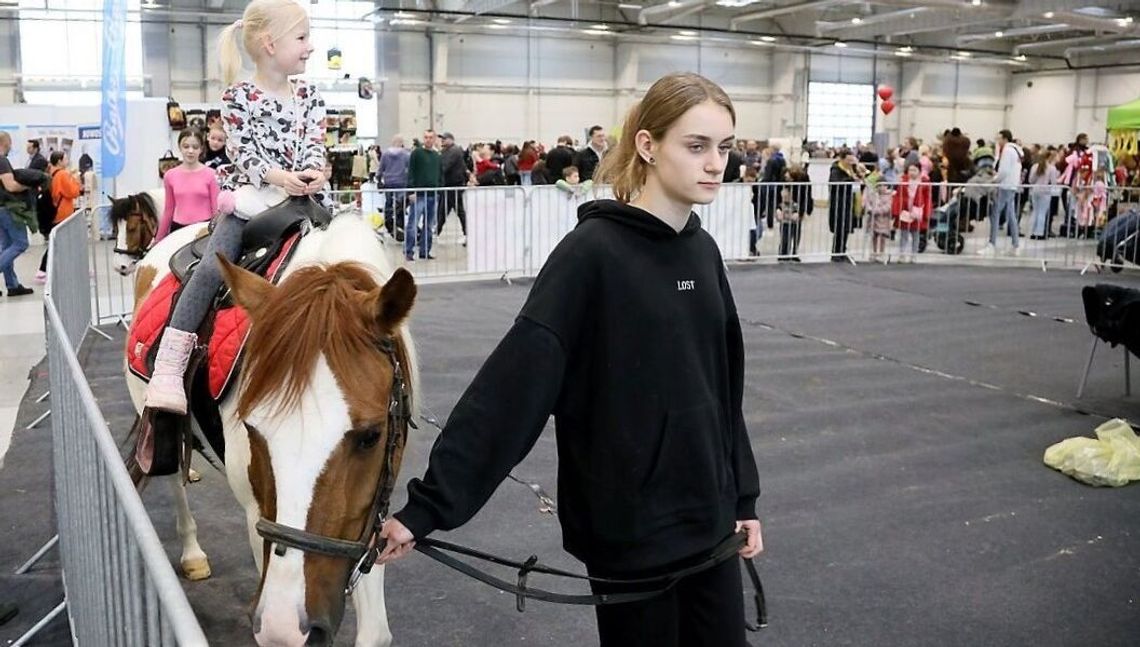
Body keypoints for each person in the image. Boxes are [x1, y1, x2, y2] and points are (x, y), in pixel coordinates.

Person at [379, 72, 763, 647]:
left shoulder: (703, 252)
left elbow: (722, 389)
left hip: (711, 526)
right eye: (697, 145)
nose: (715, 164)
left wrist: (743, 497)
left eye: (724, 148)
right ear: (648, 145)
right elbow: (512, 391)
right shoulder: (590, 256)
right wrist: (428, 509)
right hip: (631, 535)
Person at [144, 0, 329, 414]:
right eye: (301, 38)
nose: (310, 47)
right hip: (253, 200)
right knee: (214, 266)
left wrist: (317, 171)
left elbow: (317, 146)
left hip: (305, 201)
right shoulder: (238, 96)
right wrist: (280, 176)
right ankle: (169, 368)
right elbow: (242, 151)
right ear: (269, 44)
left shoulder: (312, 96)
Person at [156, 129, 220, 243]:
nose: (190, 151)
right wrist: (158, 240)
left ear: (201, 149)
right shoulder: (170, 175)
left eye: (195, 147)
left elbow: (216, 210)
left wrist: (216, 236)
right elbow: (168, 209)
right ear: (179, 147)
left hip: (203, 231)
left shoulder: (212, 174)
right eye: (186, 146)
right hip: (178, 230)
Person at [35, 151, 82, 282]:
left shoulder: (52, 174)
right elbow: (74, 192)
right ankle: (43, 269)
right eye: (65, 158)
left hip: (56, 214)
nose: (67, 161)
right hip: (63, 214)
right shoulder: (62, 174)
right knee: (58, 244)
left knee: (60, 243)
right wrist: (77, 180)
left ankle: (47, 269)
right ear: (60, 161)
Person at [979, 129, 1022, 256]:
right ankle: (1016, 245)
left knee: (995, 213)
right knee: (1011, 215)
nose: (998, 141)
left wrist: (995, 180)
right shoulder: (1016, 151)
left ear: (1004, 139)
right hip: (1012, 185)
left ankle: (992, 244)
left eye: (999, 138)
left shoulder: (1008, 151)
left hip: (1005, 186)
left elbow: (1003, 171)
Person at [0, 133, 33, 297]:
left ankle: (12, 285)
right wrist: (28, 185)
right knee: (20, 243)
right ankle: (12, 284)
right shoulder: (2, 160)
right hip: (8, 208)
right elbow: (10, 186)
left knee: (6, 246)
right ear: (6, 142)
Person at [405, 129, 442, 261]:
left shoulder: (437, 156)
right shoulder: (416, 153)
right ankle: (408, 251)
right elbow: (411, 172)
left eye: (431, 137)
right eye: (426, 137)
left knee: (429, 225)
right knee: (413, 224)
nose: (428, 140)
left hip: (433, 195)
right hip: (419, 195)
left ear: (435, 139)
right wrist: (411, 191)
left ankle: (425, 251)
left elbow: (439, 174)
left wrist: (440, 190)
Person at [892, 163, 931, 264]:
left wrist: (927, 212)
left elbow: (927, 198)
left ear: (919, 171)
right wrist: (896, 210)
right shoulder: (903, 181)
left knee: (916, 235)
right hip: (905, 211)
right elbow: (898, 196)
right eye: (910, 170)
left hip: (917, 211)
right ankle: (902, 255)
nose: (912, 172)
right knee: (903, 234)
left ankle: (914, 255)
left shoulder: (924, 183)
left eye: (914, 170)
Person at [828, 150, 860, 260]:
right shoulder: (836, 169)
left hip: (850, 201)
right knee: (839, 228)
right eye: (848, 160)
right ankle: (836, 252)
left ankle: (842, 250)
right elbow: (836, 182)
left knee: (846, 228)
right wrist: (851, 179)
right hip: (839, 202)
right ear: (842, 158)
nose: (851, 162)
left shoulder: (851, 169)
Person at [438, 132, 468, 240]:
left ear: (451, 139)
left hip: (453, 185)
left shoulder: (453, 151)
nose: (442, 140)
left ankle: (467, 232)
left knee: (454, 210)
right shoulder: (447, 151)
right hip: (449, 185)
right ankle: (437, 230)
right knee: (446, 210)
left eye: (444, 139)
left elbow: (445, 166)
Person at [380, 135, 410, 237]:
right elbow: (410, 169)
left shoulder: (385, 154)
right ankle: (399, 224)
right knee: (400, 205)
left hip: (388, 182)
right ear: (401, 143)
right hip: (401, 183)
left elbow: (381, 168)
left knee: (388, 204)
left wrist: (379, 179)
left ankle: (389, 224)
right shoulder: (406, 154)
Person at [863, 172, 893, 263]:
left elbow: (888, 207)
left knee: (883, 236)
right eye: (879, 185)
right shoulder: (873, 195)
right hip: (873, 220)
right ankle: (874, 252)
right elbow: (867, 203)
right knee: (874, 236)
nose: (881, 188)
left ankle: (881, 252)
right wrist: (870, 209)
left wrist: (876, 211)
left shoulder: (889, 196)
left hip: (884, 219)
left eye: (883, 185)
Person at [1027, 150, 1058, 239]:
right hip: (1045, 192)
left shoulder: (1034, 167)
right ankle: (1039, 233)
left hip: (1035, 190)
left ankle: (1032, 231)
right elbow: (1053, 182)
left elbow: (1030, 180)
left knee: (1035, 211)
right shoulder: (1052, 168)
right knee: (1042, 212)